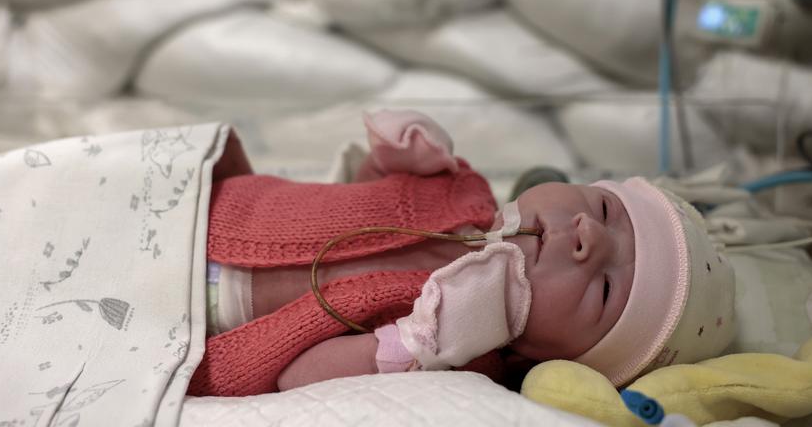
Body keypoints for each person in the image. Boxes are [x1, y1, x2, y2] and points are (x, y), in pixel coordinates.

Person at [187, 110, 735, 397]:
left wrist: (417, 344)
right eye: (606, 209)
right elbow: (360, 201)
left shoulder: (464, 359)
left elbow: (294, 378)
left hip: (196, 321)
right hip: (209, 210)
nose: (588, 234)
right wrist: (396, 158)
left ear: (548, 360)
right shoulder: (461, 191)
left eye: (607, 289)